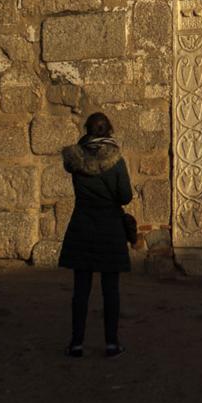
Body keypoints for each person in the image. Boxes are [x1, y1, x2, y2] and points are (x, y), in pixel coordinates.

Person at [58, 112, 133, 358]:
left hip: (82, 225)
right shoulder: (116, 160)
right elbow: (125, 196)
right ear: (108, 130)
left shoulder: (76, 160)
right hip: (110, 227)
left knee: (81, 290)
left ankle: (76, 343)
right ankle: (111, 343)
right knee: (110, 290)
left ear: (88, 130)